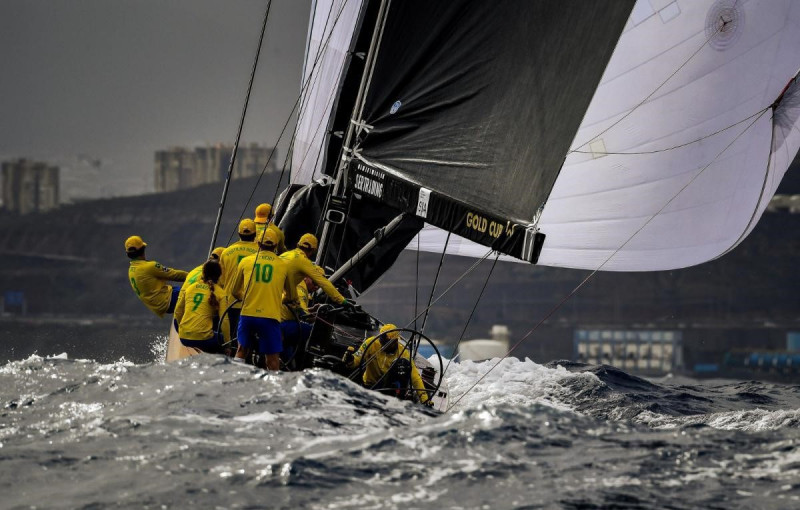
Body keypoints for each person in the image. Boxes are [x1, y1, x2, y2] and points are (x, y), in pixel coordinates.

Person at [230, 228, 292, 371]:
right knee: (272, 358)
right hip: (270, 317)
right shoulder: (283, 265)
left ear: (258, 243)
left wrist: (245, 298)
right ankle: (273, 387)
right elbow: (291, 296)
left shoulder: (246, 261)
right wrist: (280, 300)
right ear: (276, 246)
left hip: (248, 314)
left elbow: (234, 291)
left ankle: (234, 379)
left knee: (241, 350)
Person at [343, 323, 431, 405]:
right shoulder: (371, 343)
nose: (383, 344)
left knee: (403, 364)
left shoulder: (403, 352)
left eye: (387, 342)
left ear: (395, 340)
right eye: (381, 341)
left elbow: (415, 376)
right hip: (370, 386)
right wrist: (350, 360)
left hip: (388, 390)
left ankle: (399, 401)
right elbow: (357, 359)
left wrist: (425, 399)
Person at [174, 259, 233, 354]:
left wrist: (182, 329)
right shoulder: (220, 293)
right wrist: (228, 345)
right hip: (203, 338)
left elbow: (177, 312)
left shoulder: (190, 288)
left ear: (203, 273)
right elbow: (224, 321)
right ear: (219, 275)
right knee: (222, 339)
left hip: (184, 337)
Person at [280, 233, 352, 308]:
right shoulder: (303, 262)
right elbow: (324, 283)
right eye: (314, 283)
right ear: (313, 250)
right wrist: (342, 301)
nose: (316, 288)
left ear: (298, 245)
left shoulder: (285, 255)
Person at [126, 235, 188, 317]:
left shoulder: (131, 270)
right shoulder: (149, 267)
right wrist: (195, 275)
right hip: (168, 300)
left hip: (160, 304)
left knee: (182, 288)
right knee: (195, 291)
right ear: (143, 250)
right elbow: (174, 275)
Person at [219, 219, 259, 336]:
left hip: (229, 303)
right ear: (255, 234)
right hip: (252, 304)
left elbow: (221, 281)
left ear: (239, 234)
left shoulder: (226, 253)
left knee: (230, 336)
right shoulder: (260, 252)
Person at [279, 276, 319, 369]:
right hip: (282, 325)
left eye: (319, 285)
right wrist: (318, 316)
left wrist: (312, 310)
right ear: (307, 278)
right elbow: (304, 316)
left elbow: (299, 310)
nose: (316, 287)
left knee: (288, 364)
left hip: (282, 324)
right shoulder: (300, 290)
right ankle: (306, 366)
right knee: (313, 332)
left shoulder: (299, 286)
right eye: (315, 283)